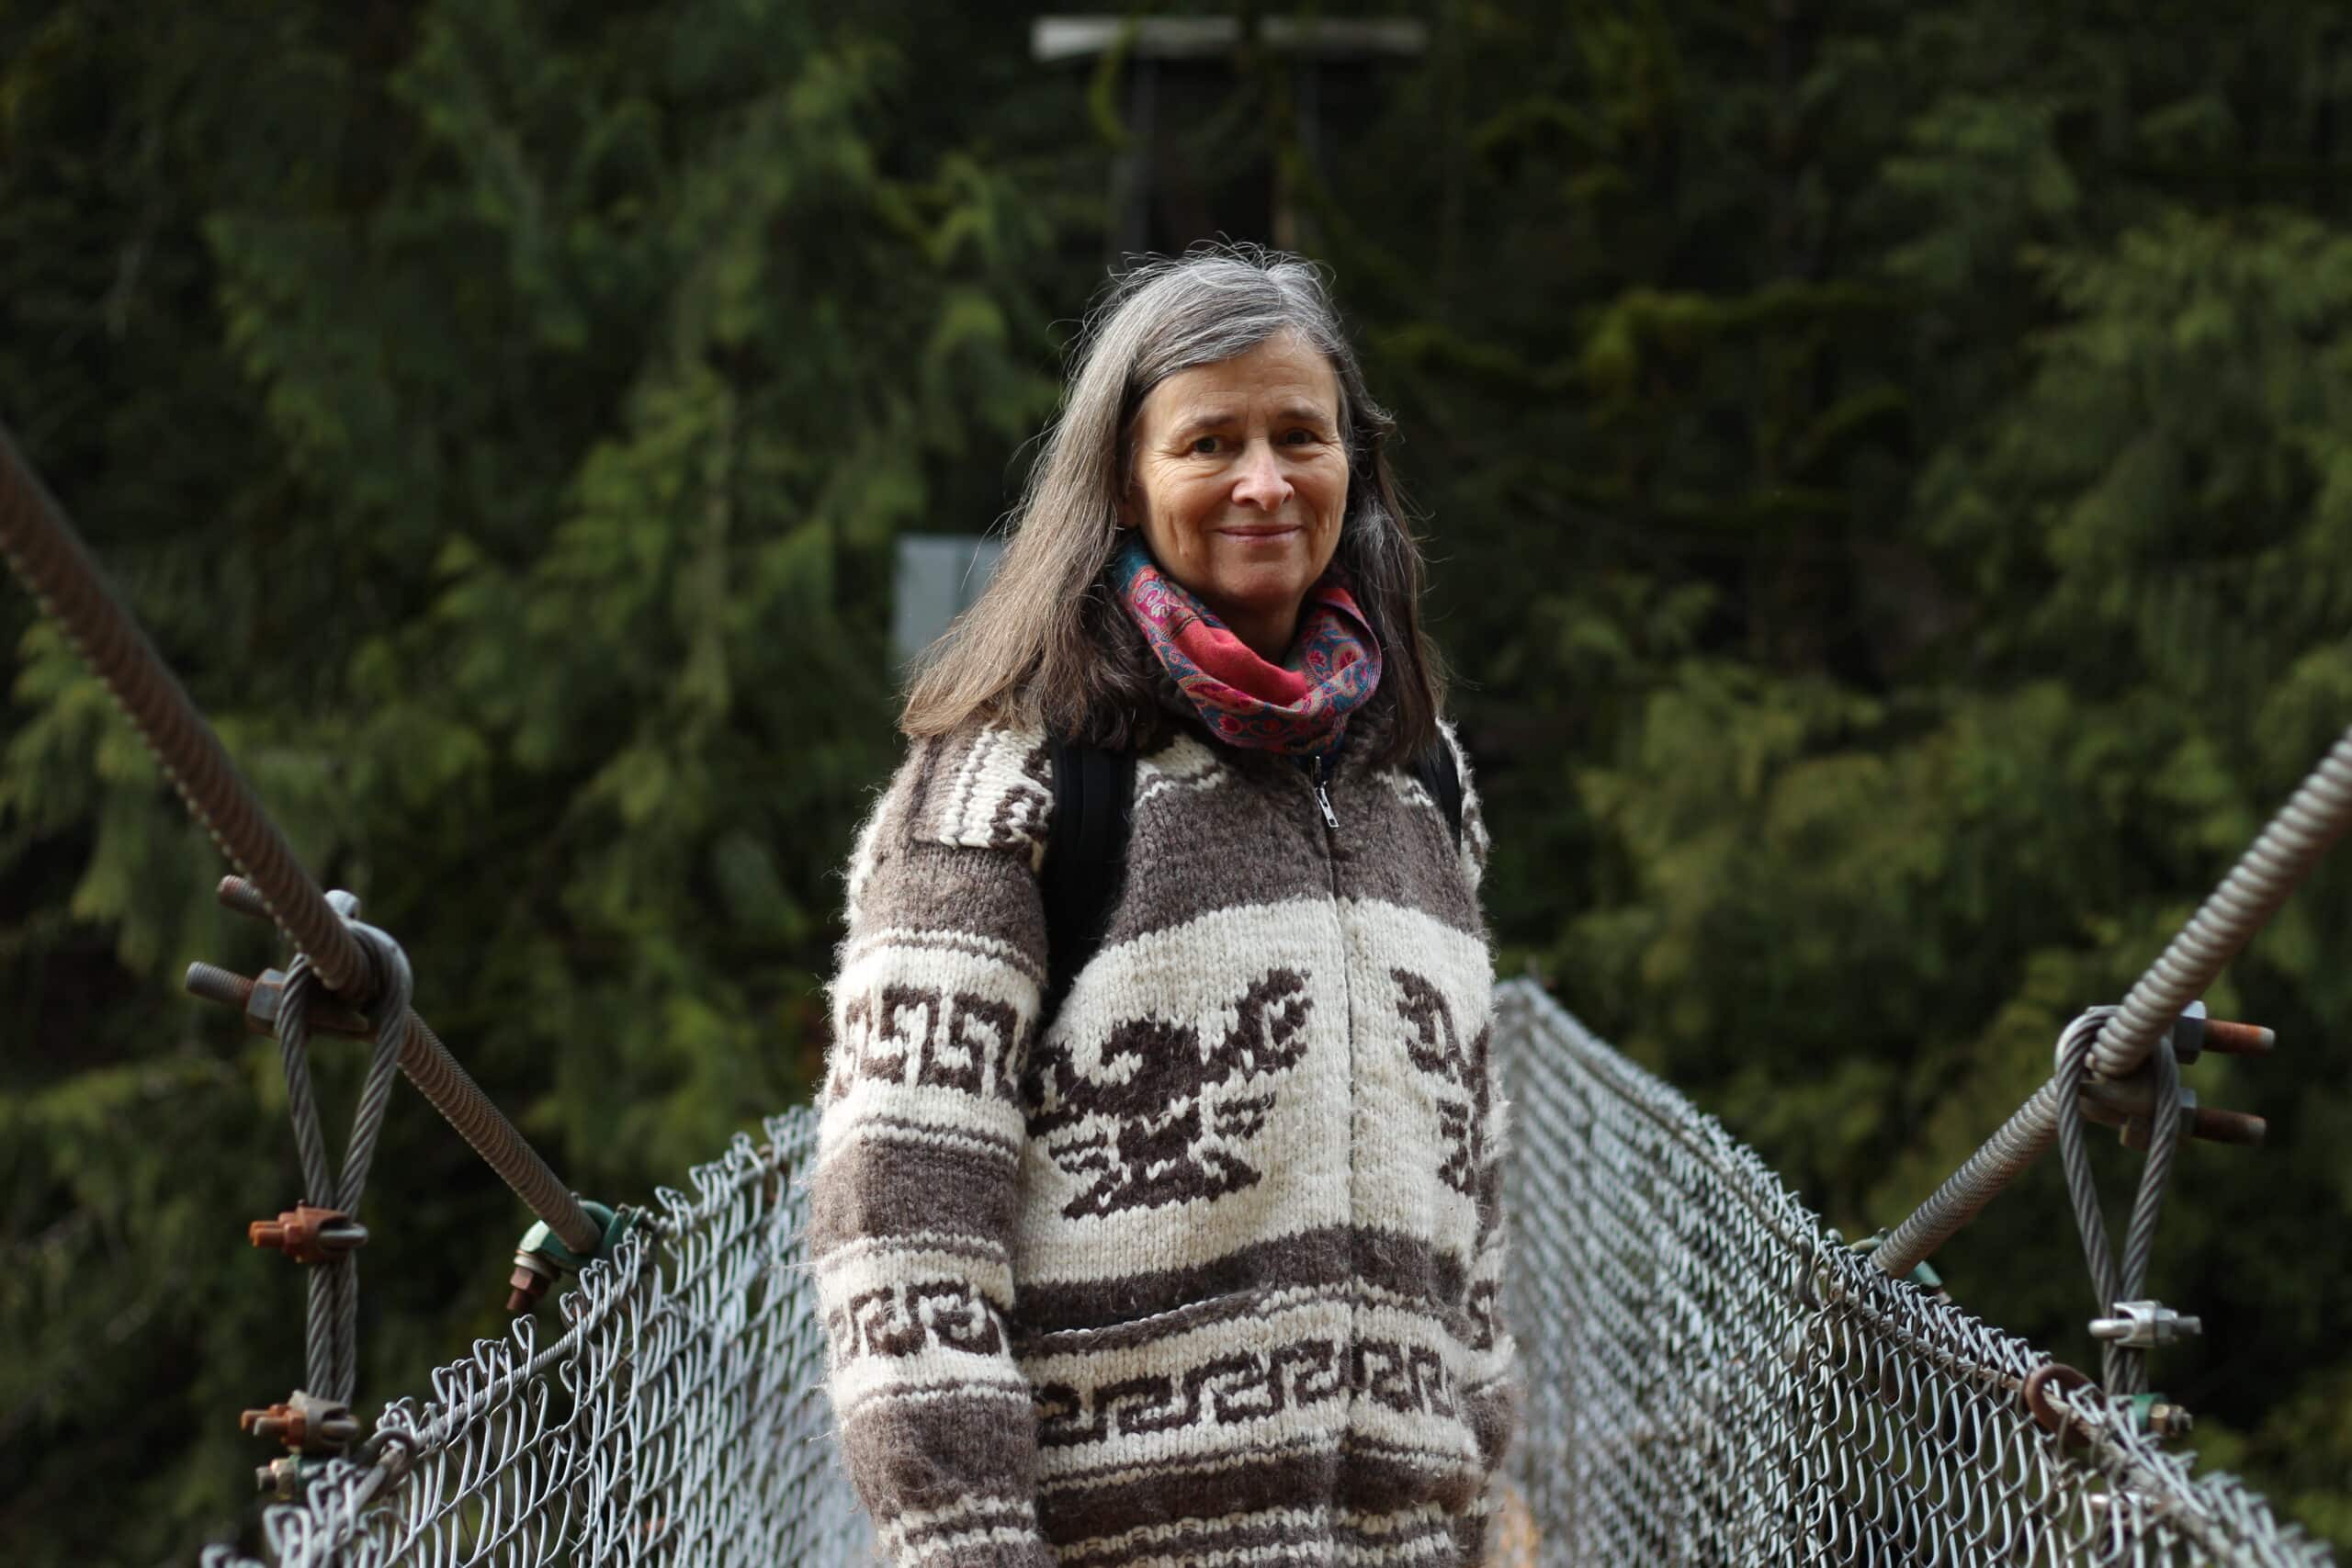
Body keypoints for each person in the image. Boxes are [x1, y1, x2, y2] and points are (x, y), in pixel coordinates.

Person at [813, 245, 1511, 1567]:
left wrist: (1476, 1484)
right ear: (1124, 481)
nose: (1265, 480)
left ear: (1353, 464)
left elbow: (1473, 1203)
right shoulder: (1007, 784)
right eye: (1209, 442)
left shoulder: (1419, 778)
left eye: (1300, 434)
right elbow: (901, 1238)